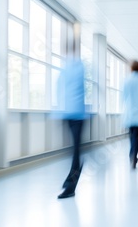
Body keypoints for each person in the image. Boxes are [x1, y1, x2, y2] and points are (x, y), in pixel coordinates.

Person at [56, 56, 87, 199]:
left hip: (76, 115)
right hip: (69, 113)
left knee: (75, 152)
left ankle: (71, 186)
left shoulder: (75, 68)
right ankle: (70, 178)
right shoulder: (68, 68)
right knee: (73, 151)